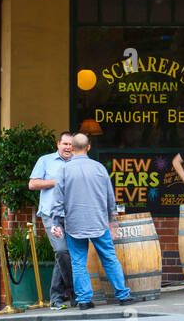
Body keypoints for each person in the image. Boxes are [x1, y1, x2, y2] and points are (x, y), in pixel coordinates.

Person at [49, 132, 131, 310]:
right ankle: (123, 295)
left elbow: (57, 199)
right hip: (98, 222)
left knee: (78, 262)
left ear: (72, 148)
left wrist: (55, 222)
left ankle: (84, 300)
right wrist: (112, 221)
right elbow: (110, 197)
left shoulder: (63, 170)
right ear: (88, 147)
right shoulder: (100, 168)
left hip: (74, 224)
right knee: (109, 258)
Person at [28, 131, 75, 308]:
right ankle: (72, 291)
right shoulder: (45, 160)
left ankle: (56, 298)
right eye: (65, 144)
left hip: (72, 216)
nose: (68, 148)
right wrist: (56, 181)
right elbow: (32, 184)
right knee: (62, 251)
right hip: (52, 216)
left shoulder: (77, 162)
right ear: (58, 144)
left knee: (63, 255)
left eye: (71, 145)